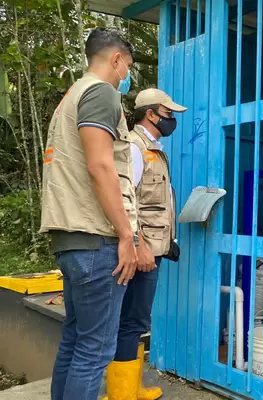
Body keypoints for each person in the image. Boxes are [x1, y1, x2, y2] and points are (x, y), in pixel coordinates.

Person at [40, 28, 138, 400]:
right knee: (95, 351)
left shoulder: (70, 97)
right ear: (115, 60)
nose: (125, 75)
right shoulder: (101, 93)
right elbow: (100, 167)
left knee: (76, 342)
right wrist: (126, 234)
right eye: (127, 67)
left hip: (71, 240)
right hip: (96, 242)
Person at [102, 88, 185, 400]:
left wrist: (169, 240)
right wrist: (139, 246)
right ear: (151, 114)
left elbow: (156, 203)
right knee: (131, 320)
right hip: (140, 252)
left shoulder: (153, 149)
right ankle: (121, 394)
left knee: (136, 320)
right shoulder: (134, 148)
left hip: (153, 248)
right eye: (169, 114)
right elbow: (125, 202)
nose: (172, 120)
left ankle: (131, 388)